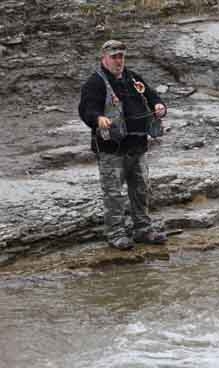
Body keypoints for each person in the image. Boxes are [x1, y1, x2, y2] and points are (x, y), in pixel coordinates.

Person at [78, 40, 168, 250]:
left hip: (138, 145)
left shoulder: (133, 77)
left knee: (141, 189)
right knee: (114, 193)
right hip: (112, 150)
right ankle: (116, 233)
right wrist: (98, 118)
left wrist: (159, 105)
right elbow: (86, 109)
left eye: (121, 56)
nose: (119, 61)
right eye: (114, 57)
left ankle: (143, 230)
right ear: (104, 58)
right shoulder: (95, 83)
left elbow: (151, 94)